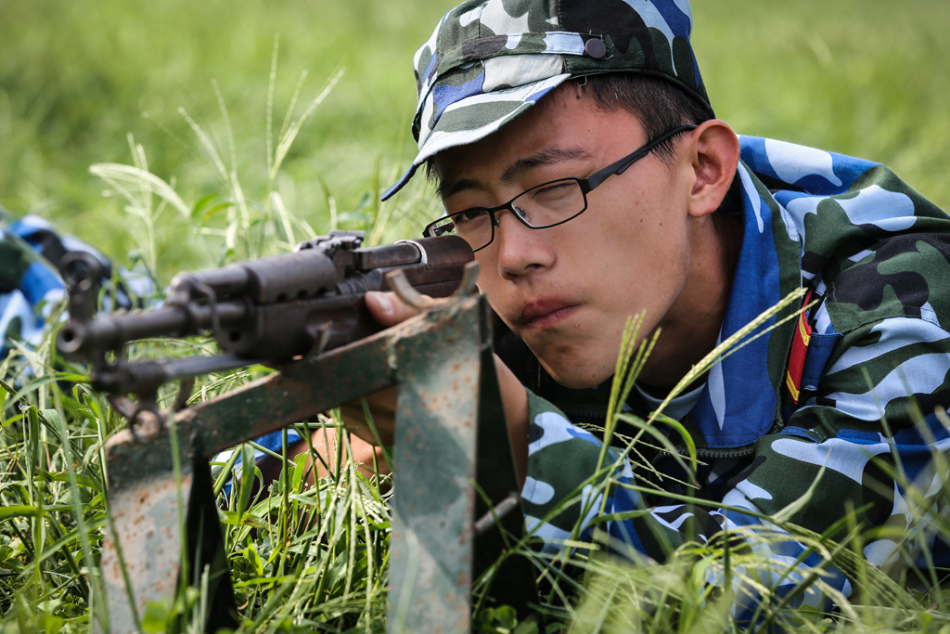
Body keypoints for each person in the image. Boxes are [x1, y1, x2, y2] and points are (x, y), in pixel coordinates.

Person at [290, 0, 950, 621]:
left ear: (702, 170)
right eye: (469, 211)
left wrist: (511, 443)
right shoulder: (502, 280)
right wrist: (325, 461)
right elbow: (281, 472)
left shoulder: (901, 307)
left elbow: (748, 603)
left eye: (556, 188)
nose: (514, 255)